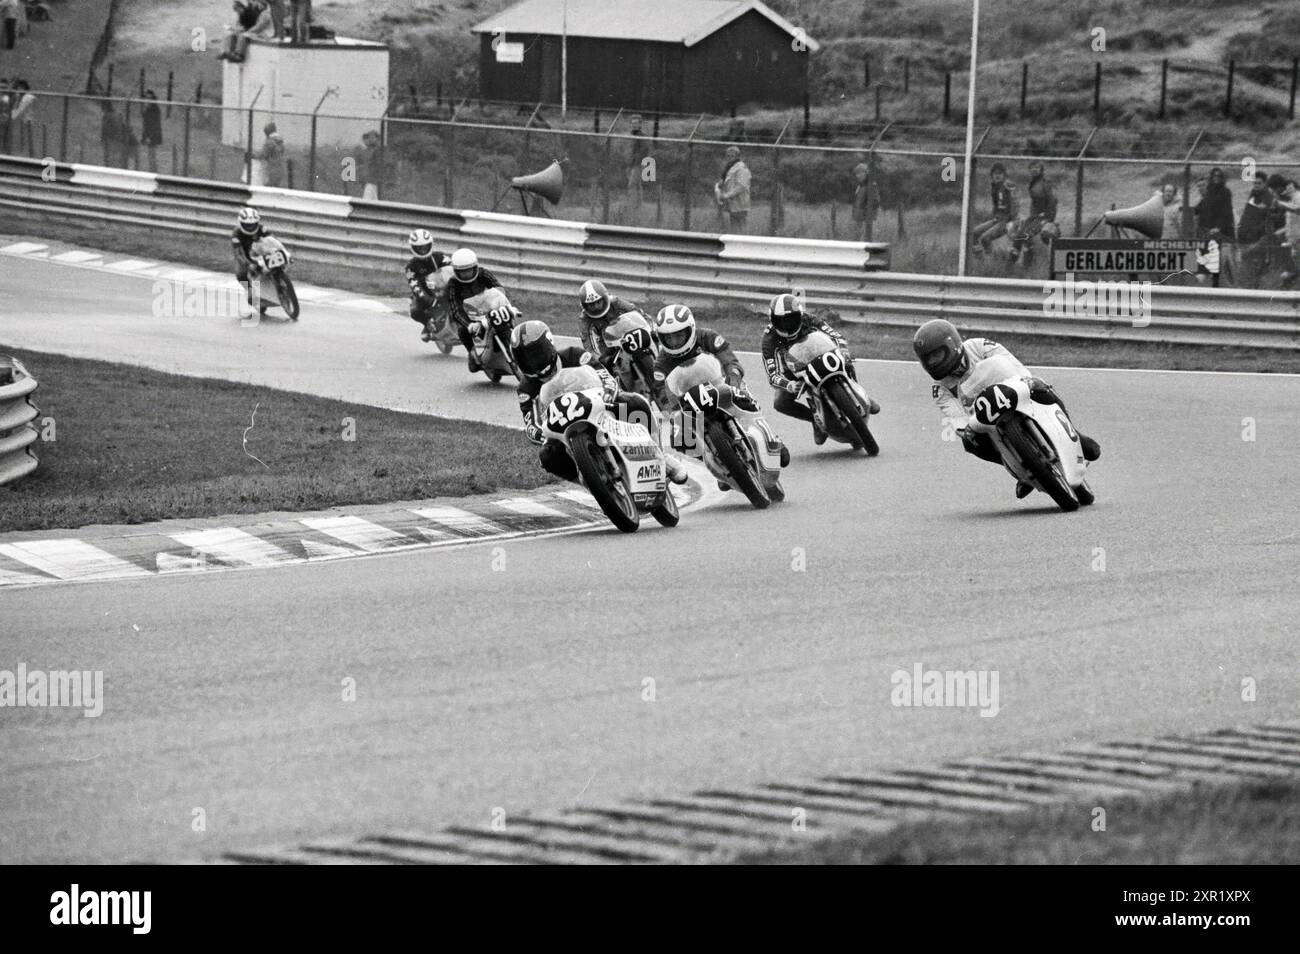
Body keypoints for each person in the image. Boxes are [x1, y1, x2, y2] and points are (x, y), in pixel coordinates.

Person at [913, 318, 1100, 500]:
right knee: (970, 444)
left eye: (937, 355)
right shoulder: (940, 388)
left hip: (1013, 390)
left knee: (1041, 387)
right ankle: (1020, 468)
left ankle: (1074, 433)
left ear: (952, 345)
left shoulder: (979, 346)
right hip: (984, 418)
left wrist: (1027, 380)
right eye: (928, 359)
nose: (933, 362)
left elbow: (1012, 364)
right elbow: (955, 417)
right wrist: (966, 430)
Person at [510, 320, 687, 485]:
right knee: (547, 458)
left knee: (636, 402)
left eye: (536, 354)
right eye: (525, 359)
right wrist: (544, 434)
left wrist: (610, 391)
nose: (533, 362)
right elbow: (530, 425)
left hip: (597, 405)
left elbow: (603, 373)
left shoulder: (575, 355)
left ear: (549, 345)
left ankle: (661, 456)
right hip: (563, 430)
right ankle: (589, 483)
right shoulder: (525, 388)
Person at [652, 303, 790, 475]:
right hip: (689, 402)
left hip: (719, 385)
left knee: (744, 393)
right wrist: (672, 412)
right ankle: (714, 460)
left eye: (679, 336)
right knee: (679, 439)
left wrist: (733, 378)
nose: (674, 342)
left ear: (690, 330)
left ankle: (771, 436)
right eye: (668, 338)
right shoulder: (661, 363)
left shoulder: (706, 336)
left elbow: (729, 359)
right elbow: (661, 393)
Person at [761, 293, 878, 443]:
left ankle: (860, 393)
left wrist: (843, 350)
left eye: (791, 320)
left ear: (799, 314)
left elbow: (835, 335)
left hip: (821, 355)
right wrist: (789, 385)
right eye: (781, 321)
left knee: (846, 362)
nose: (786, 325)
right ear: (772, 319)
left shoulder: (808, 319)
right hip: (794, 371)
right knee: (780, 403)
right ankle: (814, 420)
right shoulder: (769, 339)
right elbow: (772, 375)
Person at [576, 279, 655, 386]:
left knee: (651, 341)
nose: (595, 307)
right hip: (607, 347)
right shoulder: (584, 319)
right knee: (616, 368)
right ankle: (626, 392)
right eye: (591, 305)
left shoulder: (616, 302)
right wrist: (601, 358)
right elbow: (589, 346)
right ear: (584, 306)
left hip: (627, 335)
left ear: (605, 298)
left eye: (598, 302)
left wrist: (651, 329)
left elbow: (640, 314)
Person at [444, 248, 503, 373]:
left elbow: (498, 288)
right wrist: (469, 324)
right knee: (462, 331)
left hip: (490, 309)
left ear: (475, 267)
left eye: (469, 270)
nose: (466, 274)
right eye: (462, 272)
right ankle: (472, 354)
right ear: (456, 271)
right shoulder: (453, 284)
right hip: (470, 316)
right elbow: (455, 309)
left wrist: (503, 303)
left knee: (508, 321)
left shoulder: (483, 274)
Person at [404, 228, 450, 342]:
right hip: (427, 293)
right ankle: (427, 324)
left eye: (425, 247)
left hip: (445, 288)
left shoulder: (440, 256)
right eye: (419, 248)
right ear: (413, 248)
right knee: (415, 311)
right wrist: (429, 300)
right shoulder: (410, 268)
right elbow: (415, 286)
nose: (423, 250)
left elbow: (452, 267)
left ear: (431, 245)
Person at [1009, 161, 1058, 264]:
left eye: (1037, 167)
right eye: (1032, 167)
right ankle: (1011, 263)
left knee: (1026, 234)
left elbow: (1053, 200)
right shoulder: (1034, 182)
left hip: (1043, 217)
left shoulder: (1045, 182)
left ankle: (1027, 265)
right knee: (1019, 235)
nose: (1034, 169)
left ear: (1041, 170)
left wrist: (1048, 218)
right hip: (1034, 217)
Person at [1237, 172, 1276, 288]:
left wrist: (1260, 238)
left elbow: (1267, 220)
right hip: (1246, 238)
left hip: (1257, 240)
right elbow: (1247, 216)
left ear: (1264, 184)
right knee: (1246, 270)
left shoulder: (1268, 198)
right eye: (1254, 183)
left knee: (1254, 270)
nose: (1256, 185)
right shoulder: (1253, 195)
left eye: (1259, 183)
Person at [230, 206, 273, 310]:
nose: (250, 227)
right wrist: (248, 264)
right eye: (247, 225)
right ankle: (250, 292)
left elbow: (274, 240)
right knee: (240, 274)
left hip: (262, 252)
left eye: (253, 224)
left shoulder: (263, 229)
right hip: (246, 255)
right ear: (241, 223)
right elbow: (238, 253)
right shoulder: (236, 234)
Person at [971, 162, 1018, 254]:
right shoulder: (994, 186)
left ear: (1004, 175)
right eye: (995, 173)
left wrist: (1012, 221)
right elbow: (997, 205)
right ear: (992, 175)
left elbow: (1015, 204)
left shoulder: (1007, 185)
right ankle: (980, 259)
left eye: (1000, 173)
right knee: (975, 233)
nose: (997, 176)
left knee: (985, 238)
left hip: (1006, 221)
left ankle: (990, 260)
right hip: (997, 219)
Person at [1267, 174, 1300, 289]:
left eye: (1276, 190)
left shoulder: (1297, 196)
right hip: (1293, 243)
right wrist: (1279, 232)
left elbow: (1297, 209)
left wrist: (1280, 204)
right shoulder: (1289, 199)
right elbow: (1292, 223)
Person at [714, 145, 751, 233]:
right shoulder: (729, 168)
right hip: (732, 203)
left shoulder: (741, 168)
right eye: (728, 156)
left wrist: (726, 195)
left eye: (732, 156)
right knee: (734, 226)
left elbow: (741, 186)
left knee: (741, 226)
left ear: (737, 156)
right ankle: (736, 245)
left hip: (740, 203)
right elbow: (727, 181)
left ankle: (743, 244)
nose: (730, 158)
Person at [251, 121, 285, 187]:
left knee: (268, 188)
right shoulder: (280, 142)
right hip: (279, 169)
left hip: (271, 169)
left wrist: (252, 155)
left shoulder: (270, 142)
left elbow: (263, 154)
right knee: (275, 188)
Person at [850, 161, 876, 241]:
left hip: (866, 219)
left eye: (860, 173)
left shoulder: (871, 186)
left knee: (866, 239)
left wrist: (866, 214)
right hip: (858, 218)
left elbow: (875, 202)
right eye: (856, 174)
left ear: (866, 173)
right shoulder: (860, 186)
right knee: (857, 238)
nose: (857, 176)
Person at [140, 89, 163, 173]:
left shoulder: (154, 109)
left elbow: (154, 125)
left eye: (150, 98)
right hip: (148, 134)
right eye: (146, 98)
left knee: (152, 155)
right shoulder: (147, 108)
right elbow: (145, 124)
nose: (148, 100)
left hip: (153, 135)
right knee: (150, 156)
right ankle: (152, 171)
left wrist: (149, 137)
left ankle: (153, 172)